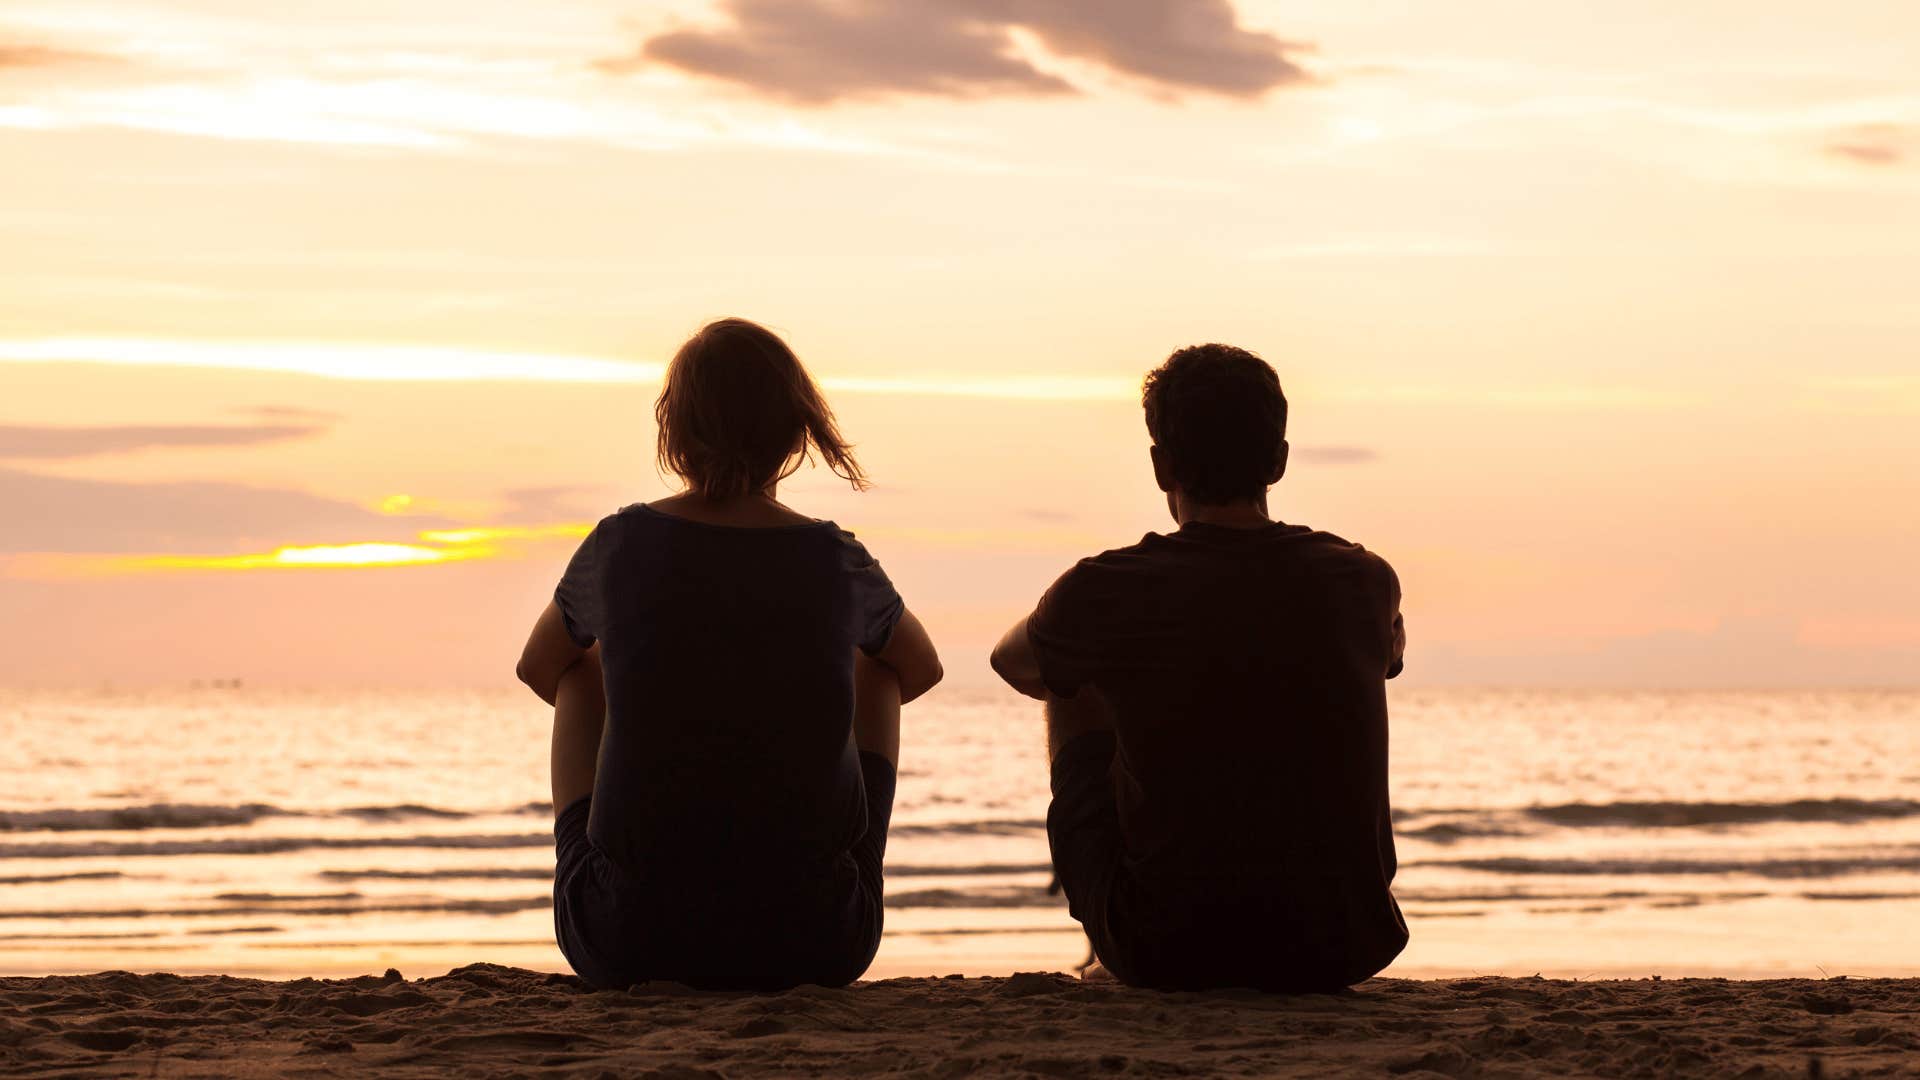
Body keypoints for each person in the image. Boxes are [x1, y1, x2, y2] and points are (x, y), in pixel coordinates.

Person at [516, 317, 942, 991]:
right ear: (795, 436)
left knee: (581, 667)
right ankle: (842, 871)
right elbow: (920, 668)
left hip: (630, 940)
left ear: (673, 433)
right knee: (877, 666)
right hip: (816, 942)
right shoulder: (834, 558)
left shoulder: (619, 545)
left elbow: (539, 667)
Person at [990, 343, 1407, 992]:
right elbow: (1389, 658)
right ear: (1279, 460)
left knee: (1069, 674)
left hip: (1169, 951)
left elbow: (1014, 664)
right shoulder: (1363, 578)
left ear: (1162, 467)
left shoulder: (1108, 588)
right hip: (1346, 944)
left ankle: (1104, 945)